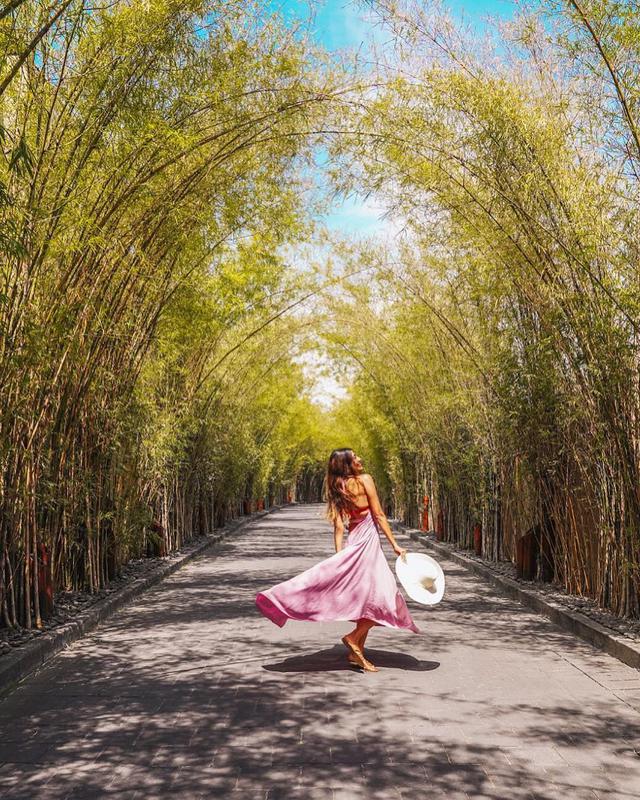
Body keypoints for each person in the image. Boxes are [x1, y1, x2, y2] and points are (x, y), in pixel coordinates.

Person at [255, 448, 419, 672]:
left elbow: (339, 527)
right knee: (383, 598)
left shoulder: (337, 487)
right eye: (355, 457)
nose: (360, 459)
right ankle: (353, 638)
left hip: (354, 541)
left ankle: (355, 652)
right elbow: (379, 515)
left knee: (366, 598)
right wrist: (395, 545)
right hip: (368, 546)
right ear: (347, 464)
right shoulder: (365, 480)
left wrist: (340, 555)